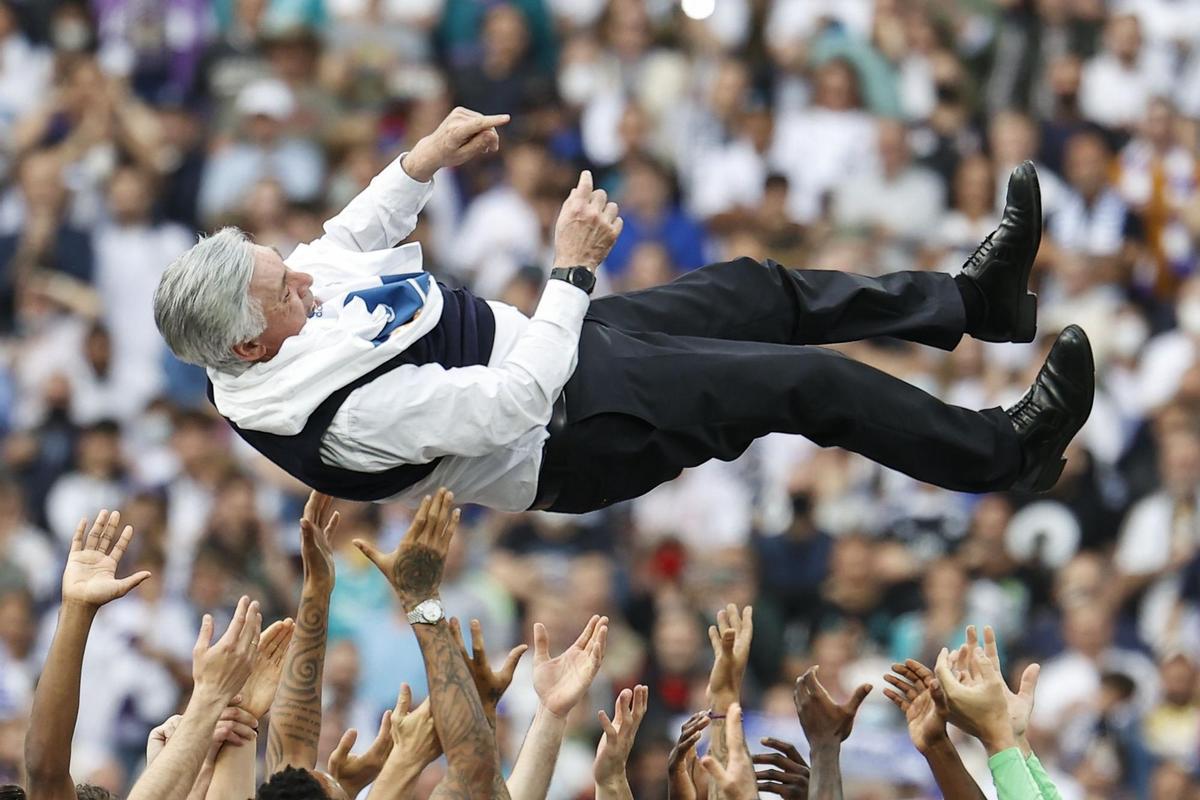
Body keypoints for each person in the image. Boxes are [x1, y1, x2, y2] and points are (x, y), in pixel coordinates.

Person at [154, 104, 1096, 515]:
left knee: (759, 291)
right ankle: (1005, 453)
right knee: (802, 384)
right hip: (572, 432)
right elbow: (508, 408)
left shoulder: (273, 313)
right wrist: (570, 272)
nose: (306, 284)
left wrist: (422, 161)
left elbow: (344, 241)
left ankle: (975, 301)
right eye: (286, 291)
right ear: (245, 340)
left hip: (558, 349)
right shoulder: (330, 418)